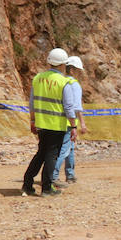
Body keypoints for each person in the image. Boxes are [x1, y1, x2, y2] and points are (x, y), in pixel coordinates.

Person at [22, 48, 78, 197]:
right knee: (51, 156)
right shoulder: (63, 81)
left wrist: (33, 120)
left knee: (41, 154)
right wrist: (73, 126)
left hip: (41, 124)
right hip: (56, 125)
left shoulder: (38, 78)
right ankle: (47, 188)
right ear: (63, 65)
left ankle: (27, 184)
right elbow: (68, 107)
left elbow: (32, 102)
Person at [54, 56, 87, 185]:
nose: (80, 73)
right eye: (78, 70)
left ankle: (70, 174)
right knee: (64, 149)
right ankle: (54, 175)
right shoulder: (74, 84)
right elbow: (76, 106)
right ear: (72, 70)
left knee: (70, 149)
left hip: (59, 121)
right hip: (69, 122)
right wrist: (82, 123)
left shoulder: (61, 81)